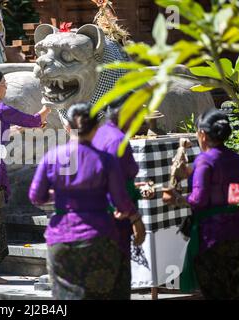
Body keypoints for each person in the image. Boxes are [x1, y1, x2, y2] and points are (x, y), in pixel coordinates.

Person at [28, 102, 145, 299]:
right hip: (99, 237)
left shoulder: (52, 157)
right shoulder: (106, 160)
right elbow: (121, 201)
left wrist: (59, 196)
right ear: (96, 128)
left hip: (60, 239)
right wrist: (135, 218)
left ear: (67, 127)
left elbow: (35, 196)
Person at [0, 68, 51, 284]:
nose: (6, 87)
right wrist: (47, 109)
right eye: (4, 84)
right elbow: (33, 120)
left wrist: (16, 131)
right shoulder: (1, 108)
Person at [163, 109, 239, 299]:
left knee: (217, 292)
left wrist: (176, 198)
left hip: (212, 237)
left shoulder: (204, 161)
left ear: (202, 134)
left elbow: (198, 200)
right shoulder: (236, 159)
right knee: (238, 292)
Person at [91, 94, 149, 299]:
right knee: (115, 284)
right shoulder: (117, 140)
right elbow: (115, 186)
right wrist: (135, 218)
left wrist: (135, 187)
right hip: (112, 221)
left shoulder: (100, 134)